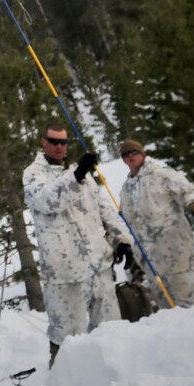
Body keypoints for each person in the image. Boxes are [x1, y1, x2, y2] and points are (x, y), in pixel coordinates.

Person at [23, 123, 130, 368]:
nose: (59, 146)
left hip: (98, 266)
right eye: (54, 141)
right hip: (65, 275)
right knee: (67, 340)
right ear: (43, 141)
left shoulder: (78, 171)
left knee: (111, 331)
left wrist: (122, 240)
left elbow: (102, 207)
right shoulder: (33, 174)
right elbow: (48, 200)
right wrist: (77, 175)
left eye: (63, 142)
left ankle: (115, 379)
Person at [118, 139, 194, 309]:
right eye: (126, 154)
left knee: (193, 302)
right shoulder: (125, 189)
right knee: (166, 307)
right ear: (123, 159)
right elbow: (126, 222)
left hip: (176, 253)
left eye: (134, 152)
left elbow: (190, 190)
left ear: (142, 154)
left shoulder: (161, 175)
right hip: (150, 261)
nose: (131, 157)